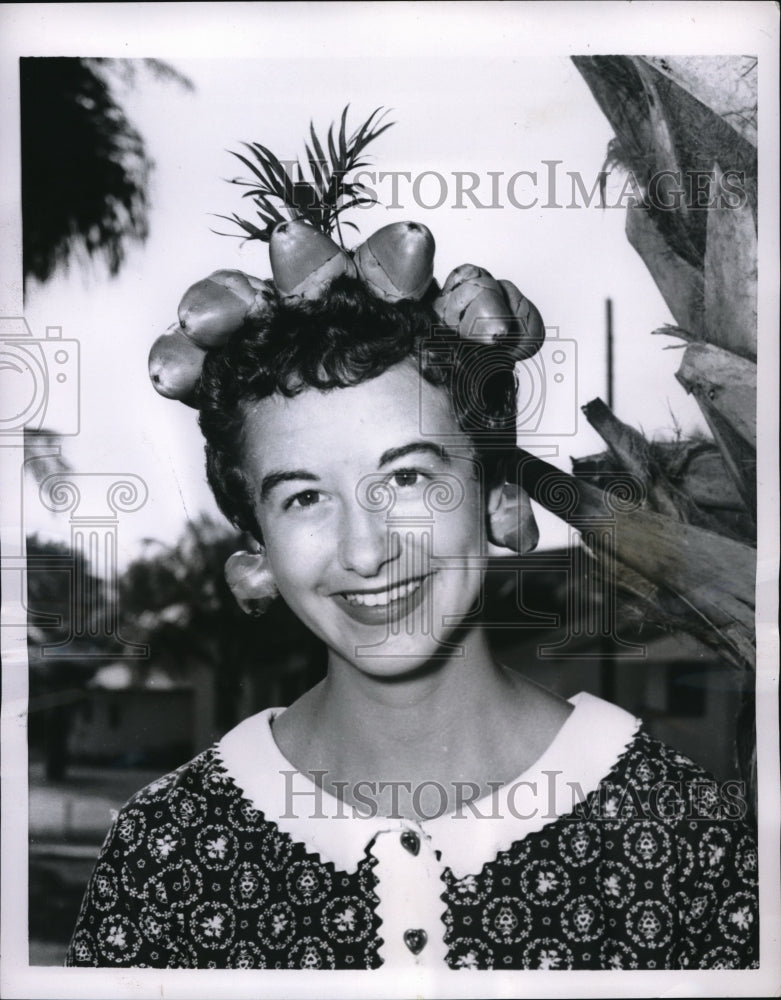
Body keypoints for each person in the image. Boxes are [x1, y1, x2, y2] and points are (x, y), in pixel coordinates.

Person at [65, 232, 759, 971]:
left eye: (405, 479)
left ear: (496, 497)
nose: (365, 551)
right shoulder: (163, 853)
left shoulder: (686, 839)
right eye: (304, 496)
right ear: (257, 550)